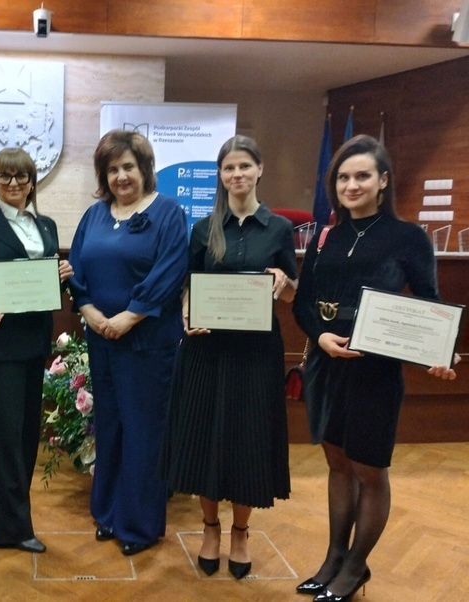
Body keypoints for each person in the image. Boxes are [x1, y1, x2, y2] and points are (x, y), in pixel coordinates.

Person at [292, 135, 459, 600]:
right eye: (343, 177)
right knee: (337, 465)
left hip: (376, 371)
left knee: (368, 469)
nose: (352, 185)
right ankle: (333, 558)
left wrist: (441, 349)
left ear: (383, 181)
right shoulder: (325, 236)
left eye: (362, 176)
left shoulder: (408, 237)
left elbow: (429, 302)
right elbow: (303, 304)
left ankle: (355, 567)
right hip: (327, 366)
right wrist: (320, 337)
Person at [160, 134, 297, 579]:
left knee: (246, 441)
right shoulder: (204, 228)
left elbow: (292, 294)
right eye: (229, 168)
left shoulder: (278, 228)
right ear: (220, 176)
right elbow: (188, 284)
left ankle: (240, 532)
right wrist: (186, 312)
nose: (237, 174)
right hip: (207, 350)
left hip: (256, 354)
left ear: (259, 170)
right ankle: (210, 528)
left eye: (244, 166)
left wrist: (284, 282)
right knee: (204, 439)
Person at [67, 130, 188, 556]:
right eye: (113, 169)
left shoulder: (168, 212)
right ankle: (107, 513)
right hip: (102, 340)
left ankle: (138, 525)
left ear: (145, 169)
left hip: (147, 343)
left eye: (128, 167)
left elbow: (170, 271)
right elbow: (75, 269)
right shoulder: (94, 216)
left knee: (143, 431)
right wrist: (90, 312)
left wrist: (129, 316)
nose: (121, 176)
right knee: (110, 426)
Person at [0, 147, 73, 553]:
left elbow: (43, 282)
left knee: (24, 435)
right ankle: (10, 529)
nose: (14, 184)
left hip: (35, 342)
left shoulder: (46, 225)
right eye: (4, 176)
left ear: (32, 182)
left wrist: (61, 274)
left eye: (22, 176)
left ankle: (0, 506)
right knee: (5, 436)